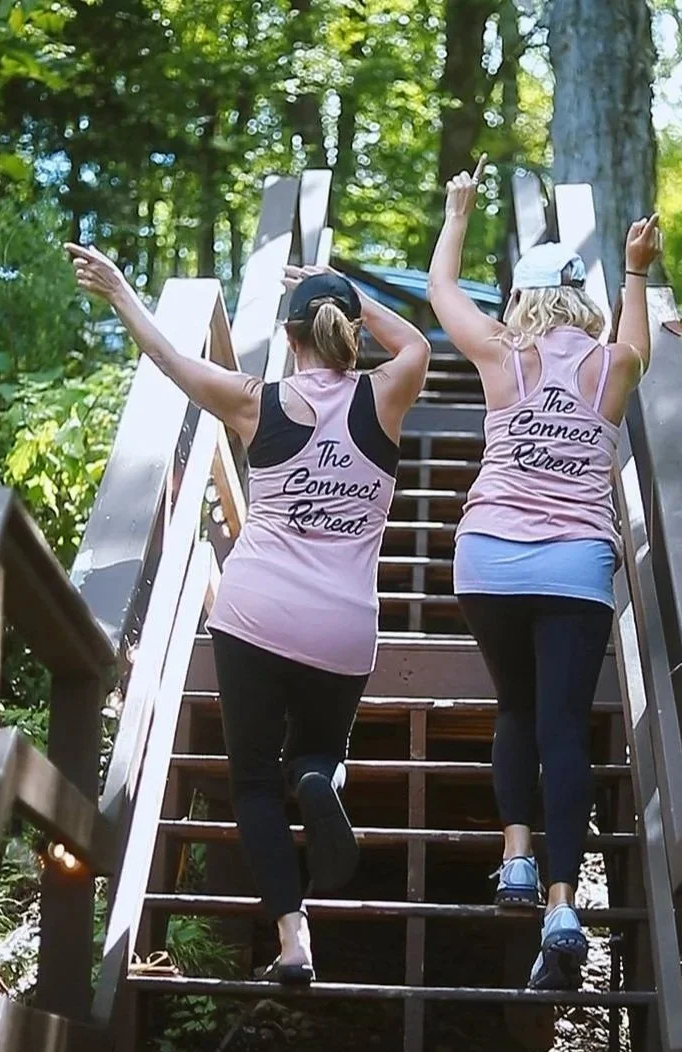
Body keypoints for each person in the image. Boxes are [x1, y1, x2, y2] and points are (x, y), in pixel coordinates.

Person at [67, 244, 431, 985]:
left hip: (254, 616)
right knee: (317, 753)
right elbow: (417, 341)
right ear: (349, 331)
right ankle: (319, 778)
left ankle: (294, 943)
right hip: (341, 625)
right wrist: (346, 292)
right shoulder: (387, 394)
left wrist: (122, 292)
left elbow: (170, 360)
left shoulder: (253, 400)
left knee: (255, 784)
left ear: (291, 338)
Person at [426, 159, 661, 991]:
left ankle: (516, 858)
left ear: (522, 298)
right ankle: (562, 906)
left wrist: (458, 212)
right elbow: (637, 340)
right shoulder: (612, 365)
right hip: (572, 563)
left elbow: (440, 290)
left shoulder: (501, 354)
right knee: (562, 728)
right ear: (579, 298)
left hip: (487, 556)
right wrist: (636, 270)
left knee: (514, 709)